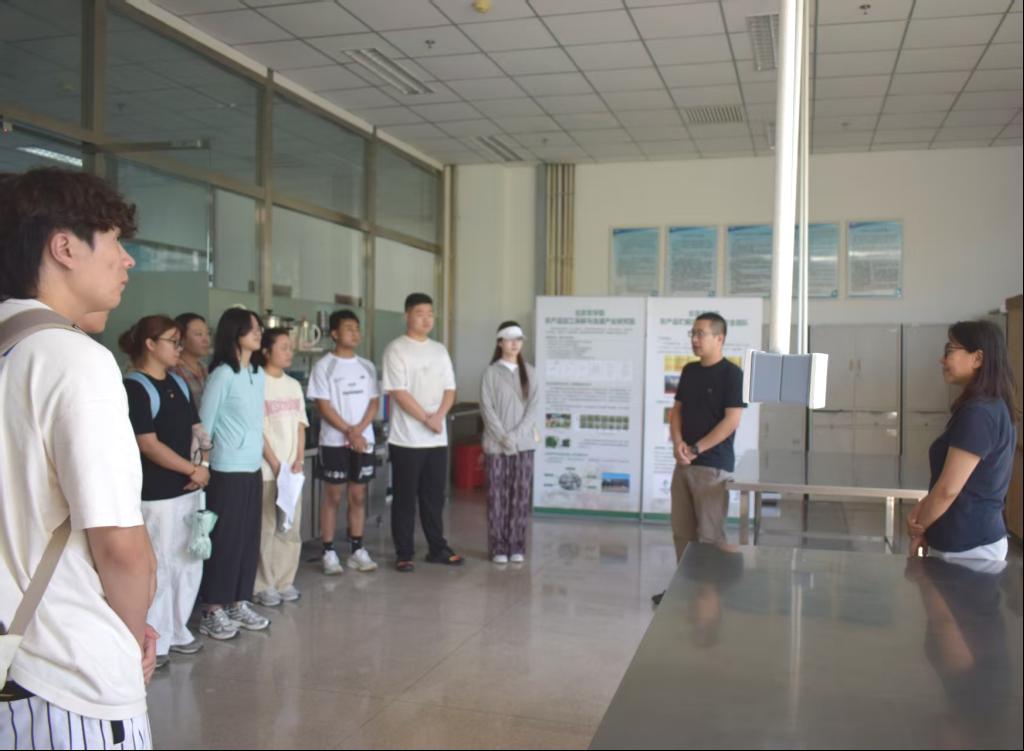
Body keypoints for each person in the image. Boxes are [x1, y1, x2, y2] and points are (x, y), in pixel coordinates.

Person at [1, 168, 157, 747]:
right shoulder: (73, 360)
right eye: (114, 240)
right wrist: (129, 637)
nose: (127, 260)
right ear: (64, 248)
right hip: (66, 675)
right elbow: (120, 546)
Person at [120, 315, 210, 667]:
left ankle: (178, 630)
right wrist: (192, 469)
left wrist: (203, 465)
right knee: (159, 566)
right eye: (173, 341)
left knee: (188, 561)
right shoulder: (135, 387)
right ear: (150, 344)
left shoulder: (177, 382)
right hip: (156, 494)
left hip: (189, 488)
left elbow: (197, 428)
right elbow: (149, 444)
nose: (178, 348)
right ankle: (155, 640)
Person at [654, 312, 745, 606]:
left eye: (700, 334)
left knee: (709, 535)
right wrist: (678, 443)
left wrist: (696, 448)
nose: (694, 339)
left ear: (719, 338)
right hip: (684, 464)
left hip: (713, 467)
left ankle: (709, 595)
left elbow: (731, 421)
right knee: (682, 532)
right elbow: (677, 411)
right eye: (692, 333)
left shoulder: (732, 374)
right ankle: (684, 589)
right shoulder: (690, 371)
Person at [907, 320, 1018, 561]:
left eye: (950, 350)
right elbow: (963, 483)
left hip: (969, 545)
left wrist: (920, 527)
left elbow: (948, 490)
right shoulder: (989, 406)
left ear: (977, 358)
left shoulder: (979, 413)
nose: (942, 359)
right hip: (967, 539)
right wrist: (924, 510)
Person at [197, 308, 269, 638]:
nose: (258, 332)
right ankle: (212, 608)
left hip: (252, 466)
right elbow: (205, 425)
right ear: (234, 333)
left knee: (247, 539)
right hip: (226, 469)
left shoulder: (258, 373)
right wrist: (203, 466)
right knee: (225, 540)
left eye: (258, 328)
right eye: (251, 328)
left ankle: (238, 601)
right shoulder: (222, 374)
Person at [381, 293, 462, 572]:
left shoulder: (439, 350)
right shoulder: (396, 349)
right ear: (407, 316)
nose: (427, 319)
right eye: (420, 313)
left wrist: (439, 417)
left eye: (430, 313)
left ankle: (437, 548)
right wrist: (427, 419)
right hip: (406, 439)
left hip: (436, 437)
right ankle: (404, 552)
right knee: (405, 498)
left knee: (434, 497)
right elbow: (399, 392)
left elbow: (450, 389)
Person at [307, 310, 380, 575]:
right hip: (334, 442)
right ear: (335, 333)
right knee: (333, 496)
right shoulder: (324, 366)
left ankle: (357, 549)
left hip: (363, 441)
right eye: (349, 328)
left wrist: (358, 432)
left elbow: (374, 402)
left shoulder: (367, 366)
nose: (355, 333)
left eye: (357, 328)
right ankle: (328, 551)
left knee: (358, 495)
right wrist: (350, 431)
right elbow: (323, 406)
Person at [253, 328, 308, 606]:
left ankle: (285, 580)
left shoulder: (293, 385)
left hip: (292, 472)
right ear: (266, 351)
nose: (289, 352)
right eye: (283, 347)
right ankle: (264, 584)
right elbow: (257, 429)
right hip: (267, 469)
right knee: (266, 528)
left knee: (290, 528)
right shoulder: (256, 382)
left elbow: (300, 425)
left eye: (290, 347)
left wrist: (298, 460)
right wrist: (275, 464)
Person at [480, 321, 539, 564]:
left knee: (520, 496)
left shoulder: (531, 372)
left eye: (519, 339)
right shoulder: (491, 373)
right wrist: (504, 438)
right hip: (496, 446)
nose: (515, 343)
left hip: (523, 445)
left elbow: (533, 410)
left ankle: (516, 545)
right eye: (509, 338)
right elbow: (487, 409)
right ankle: (498, 547)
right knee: (497, 496)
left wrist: (513, 438)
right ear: (499, 342)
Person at [170, 312, 210, 405]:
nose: (206, 340)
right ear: (181, 339)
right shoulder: (173, 370)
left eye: (208, 333)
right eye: (199, 334)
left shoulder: (204, 367)